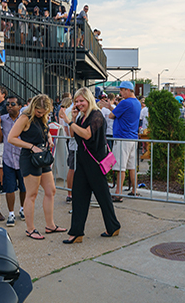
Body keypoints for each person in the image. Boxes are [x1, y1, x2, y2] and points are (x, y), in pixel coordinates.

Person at [60, 88, 121, 244]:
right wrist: (73, 119)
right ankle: (76, 232)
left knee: (103, 197)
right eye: (76, 101)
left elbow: (87, 134)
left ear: (89, 100)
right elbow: (73, 135)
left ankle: (113, 226)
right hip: (83, 161)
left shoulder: (96, 115)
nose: (79, 104)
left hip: (95, 162)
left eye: (82, 101)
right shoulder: (82, 117)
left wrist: (69, 121)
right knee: (79, 196)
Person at [7, 94, 66, 240]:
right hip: (29, 157)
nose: (40, 114)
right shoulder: (25, 118)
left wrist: (49, 138)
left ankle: (50, 225)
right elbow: (11, 138)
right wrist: (31, 146)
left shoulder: (42, 118)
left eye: (43, 112)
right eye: (39, 111)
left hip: (42, 155)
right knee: (31, 194)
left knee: (51, 190)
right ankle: (30, 229)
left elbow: (45, 131)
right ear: (33, 107)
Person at [110, 81, 141, 197]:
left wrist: (110, 108)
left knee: (120, 167)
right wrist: (111, 107)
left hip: (122, 137)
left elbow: (111, 115)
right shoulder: (137, 102)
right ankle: (134, 190)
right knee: (132, 167)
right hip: (133, 138)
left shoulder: (125, 102)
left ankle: (118, 193)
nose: (120, 92)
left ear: (128, 90)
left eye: (122, 90)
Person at [1, 96, 27, 227]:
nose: (9, 106)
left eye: (12, 104)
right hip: (8, 159)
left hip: (22, 158)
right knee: (9, 188)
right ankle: (11, 213)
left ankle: (23, 209)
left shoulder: (24, 119)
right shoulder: (2, 120)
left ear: (19, 106)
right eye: (7, 104)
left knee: (24, 187)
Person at [58, 96, 76, 203]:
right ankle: (70, 193)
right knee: (72, 168)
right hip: (74, 144)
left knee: (72, 168)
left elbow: (66, 129)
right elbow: (68, 130)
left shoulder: (68, 110)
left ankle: (71, 193)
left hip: (73, 143)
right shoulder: (70, 111)